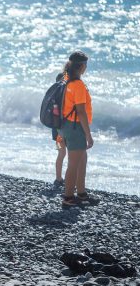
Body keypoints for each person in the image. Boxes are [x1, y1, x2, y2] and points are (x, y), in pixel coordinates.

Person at [60, 51, 99, 209]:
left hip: (68, 125)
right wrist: (88, 135)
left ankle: (81, 193)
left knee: (81, 160)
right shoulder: (78, 85)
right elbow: (81, 112)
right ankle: (68, 197)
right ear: (82, 66)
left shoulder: (66, 79)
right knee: (74, 163)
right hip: (76, 127)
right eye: (86, 65)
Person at [51, 72, 67, 189]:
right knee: (64, 153)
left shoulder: (53, 95)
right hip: (61, 130)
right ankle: (60, 178)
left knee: (61, 153)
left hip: (56, 130)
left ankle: (58, 178)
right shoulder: (61, 96)